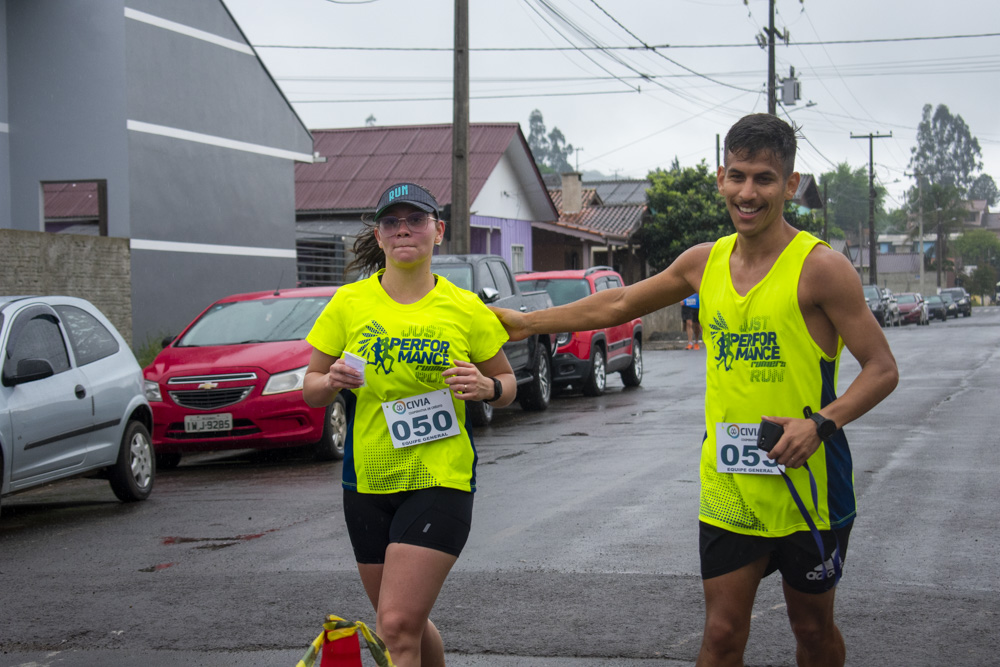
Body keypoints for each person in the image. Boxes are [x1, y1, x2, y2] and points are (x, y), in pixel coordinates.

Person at [490, 114, 898, 666]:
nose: (747, 193)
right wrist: (523, 322)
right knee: (723, 634)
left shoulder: (820, 269)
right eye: (736, 176)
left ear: (791, 184)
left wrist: (821, 424)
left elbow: (881, 368)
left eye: (763, 179)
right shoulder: (703, 263)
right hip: (729, 485)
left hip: (811, 489)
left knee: (811, 631)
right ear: (719, 178)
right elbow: (617, 303)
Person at [303, 182, 517, 667]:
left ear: (437, 231)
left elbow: (506, 381)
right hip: (368, 480)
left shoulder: (464, 308)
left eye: (415, 220)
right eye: (391, 222)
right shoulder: (349, 304)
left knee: (395, 626)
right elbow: (310, 386)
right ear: (379, 237)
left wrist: (488, 388)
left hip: (441, 478)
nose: (404, 230)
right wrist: (331, 380)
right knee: (401, 622)